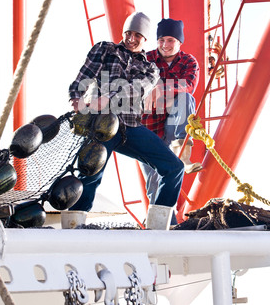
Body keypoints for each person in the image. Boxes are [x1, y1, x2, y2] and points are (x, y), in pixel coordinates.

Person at [66, 12, 185, 230]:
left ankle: (158, 225)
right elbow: (85, 75)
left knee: (174, 167)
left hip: (130, 128)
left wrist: (107, 98)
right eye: (128, 33)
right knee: (90, 173)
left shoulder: (151, 70)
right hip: (100, 125)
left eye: (137, 35)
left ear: (145, 39)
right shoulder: (105, 49)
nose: (131, 38)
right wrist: (76, 96)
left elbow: (134, 90)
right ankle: (74, 227)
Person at [141, 18, 203, 206]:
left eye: (170, 40)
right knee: (153, 179)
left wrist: (161, 88)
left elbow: (188, 86)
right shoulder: (146, 59)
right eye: (161, 40)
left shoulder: (188, 61)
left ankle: (183, 153)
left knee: (186, 99)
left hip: (173, 124)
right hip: (148, 127)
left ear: (179, 42)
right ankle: (164, 221)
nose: (165, 45)